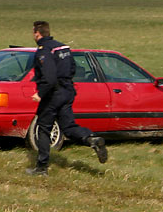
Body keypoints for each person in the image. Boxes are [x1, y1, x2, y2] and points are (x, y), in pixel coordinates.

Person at [27, 20, 107, 176]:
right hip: (68, 91)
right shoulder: (63, 48)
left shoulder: (44, 51)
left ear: (37, 33)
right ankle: (91, 139)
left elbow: (49, 77)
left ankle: (41, 167)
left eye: (33, 32)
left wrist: (40, 93)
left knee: (43, 129)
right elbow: (73, 68)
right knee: (68, 127)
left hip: (53, 94)